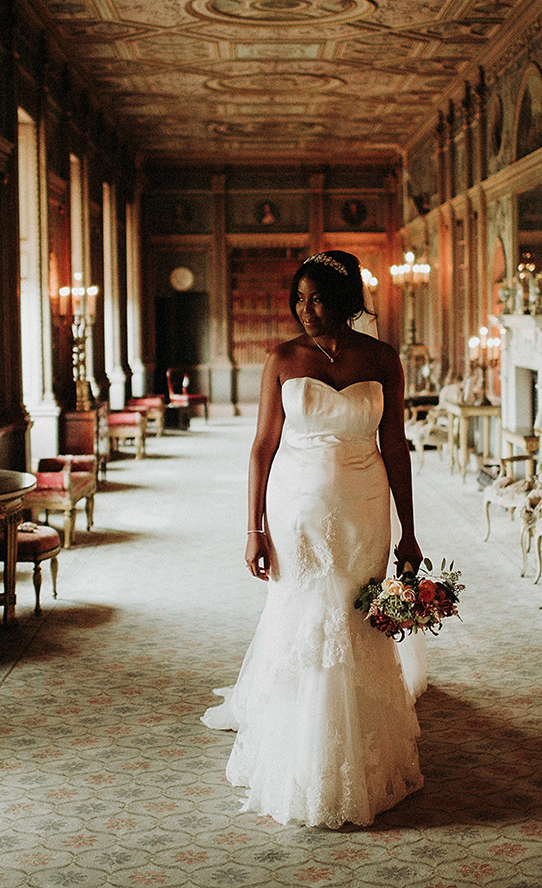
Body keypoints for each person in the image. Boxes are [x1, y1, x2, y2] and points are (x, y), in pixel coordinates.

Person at [202, 249, 426, 827]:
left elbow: (396, 446)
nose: (306, 311)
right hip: (296, 506)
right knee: (304, 616)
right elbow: (261, 448)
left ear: (347, 301)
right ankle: (299, 752)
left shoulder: (382, 358)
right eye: (298, 299)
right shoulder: (282, 359)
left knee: (356, 617)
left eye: (318, 298)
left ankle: (363, 749)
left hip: (366, 504)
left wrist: (409, 530)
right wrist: (253, 529)